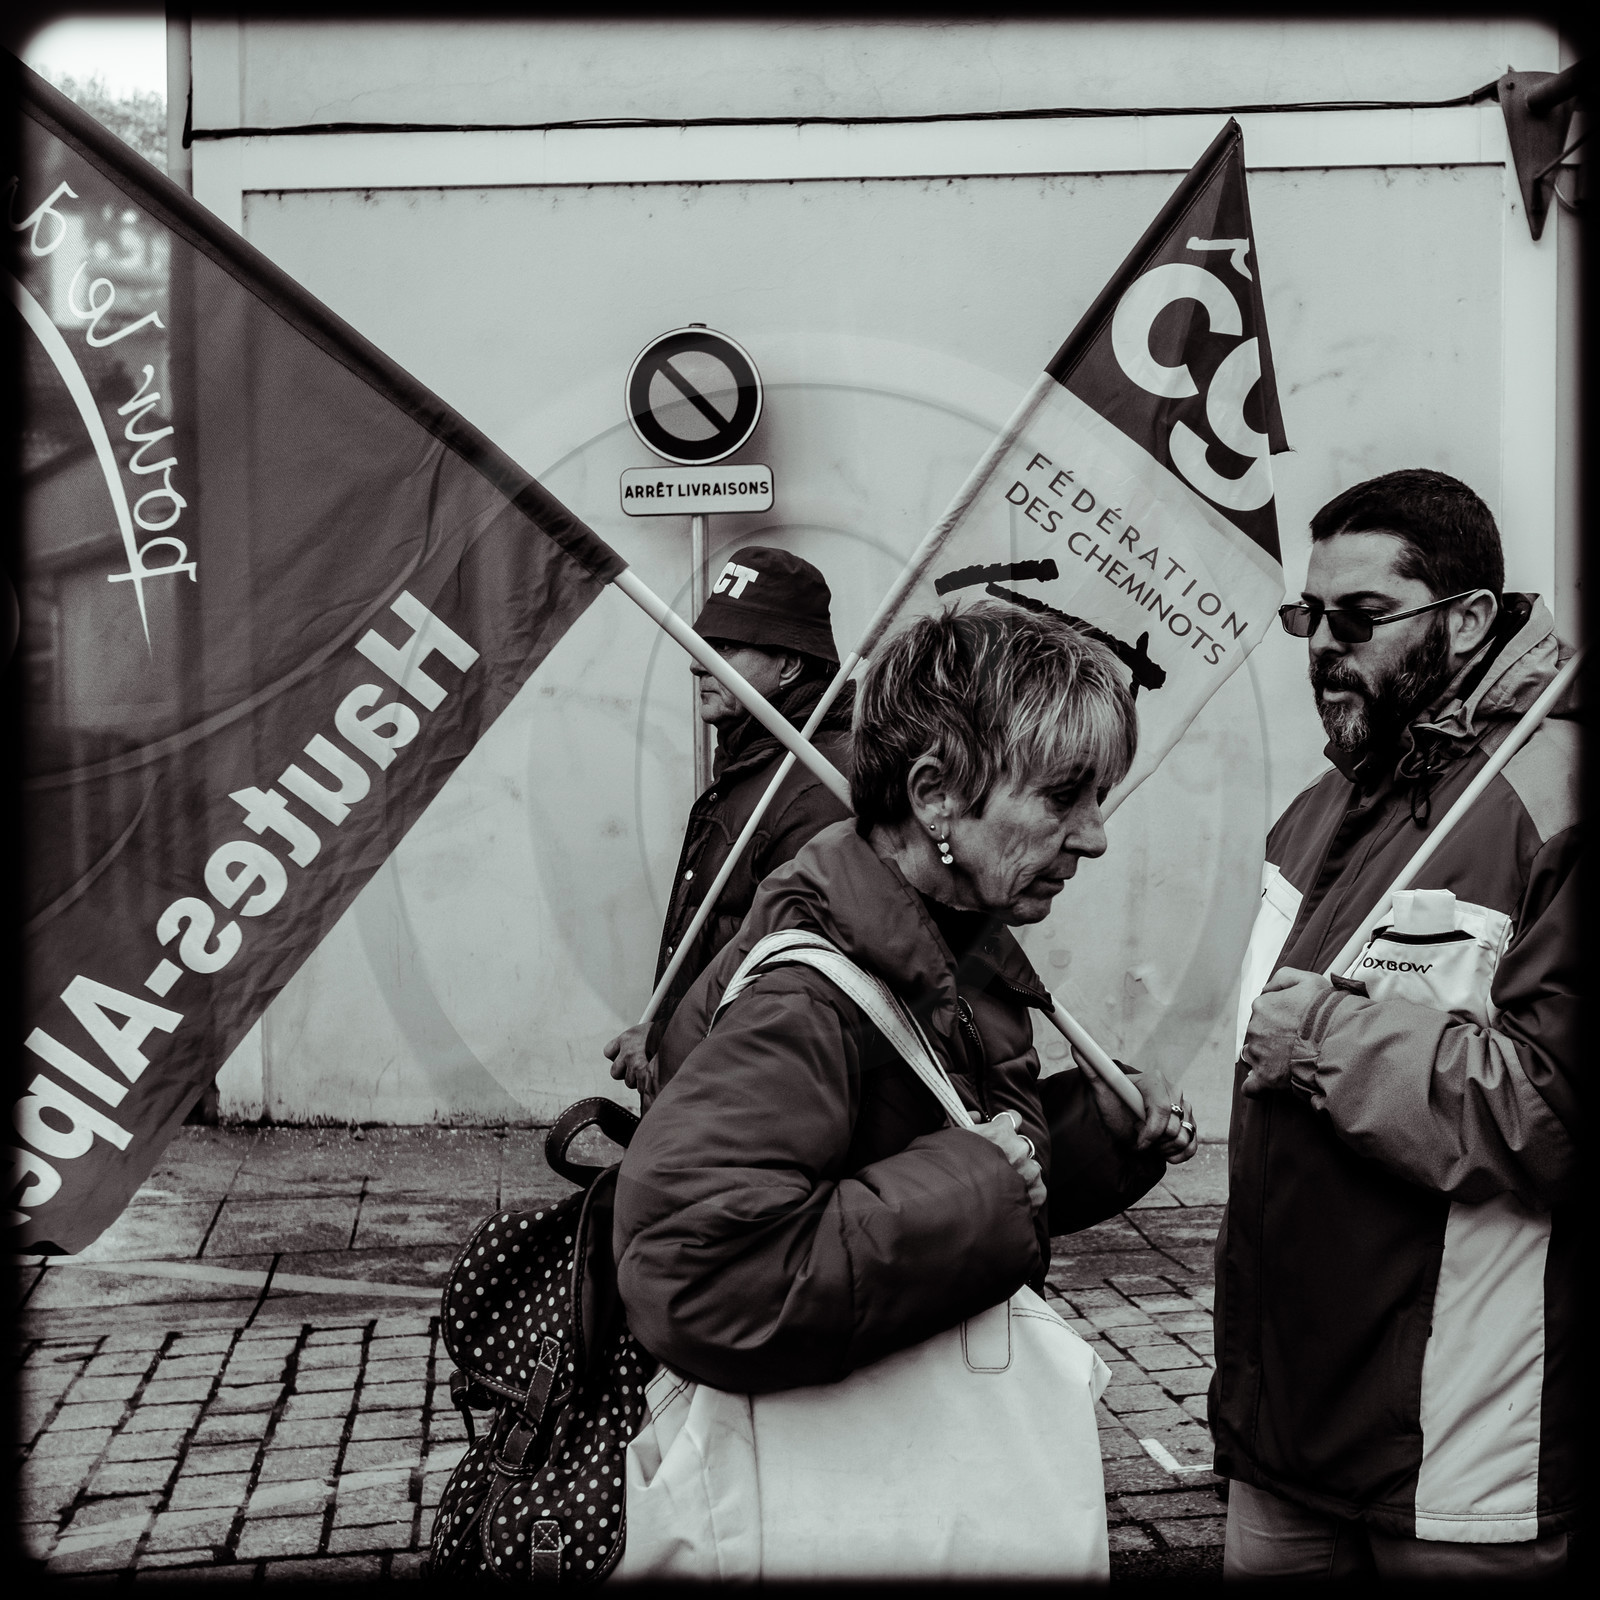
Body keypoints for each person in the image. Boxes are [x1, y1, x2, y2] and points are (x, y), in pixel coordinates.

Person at [613, 602, 1197, 1401]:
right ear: (934, 795)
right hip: (830, 1486)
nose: (1095, 836)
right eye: (1064, 796)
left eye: (1098, 794)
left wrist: (1099, 1128)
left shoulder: (955, 944)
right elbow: (694, 1280)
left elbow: (939, 1163)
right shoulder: (807, 996)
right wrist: (985, 1179)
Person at [1214, 469, 1579, 1580]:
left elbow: (1553, 1110)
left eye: (1359, 617)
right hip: (1283, 1429)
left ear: (1467, 618)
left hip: (1457, 1453)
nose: (1323, 645)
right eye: (1306, 617)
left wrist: (1326, 1039)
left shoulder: (1551, 801)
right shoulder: (1321, 805)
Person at [604, 546, 855, 1101]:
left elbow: (780, 981)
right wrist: (662, 1033)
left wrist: (674, 1056)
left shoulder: (818, 788)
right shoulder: (759, 766)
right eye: (703, 645)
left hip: (742, 1103)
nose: (697, 662)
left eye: (725, 647)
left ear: (789, 665)